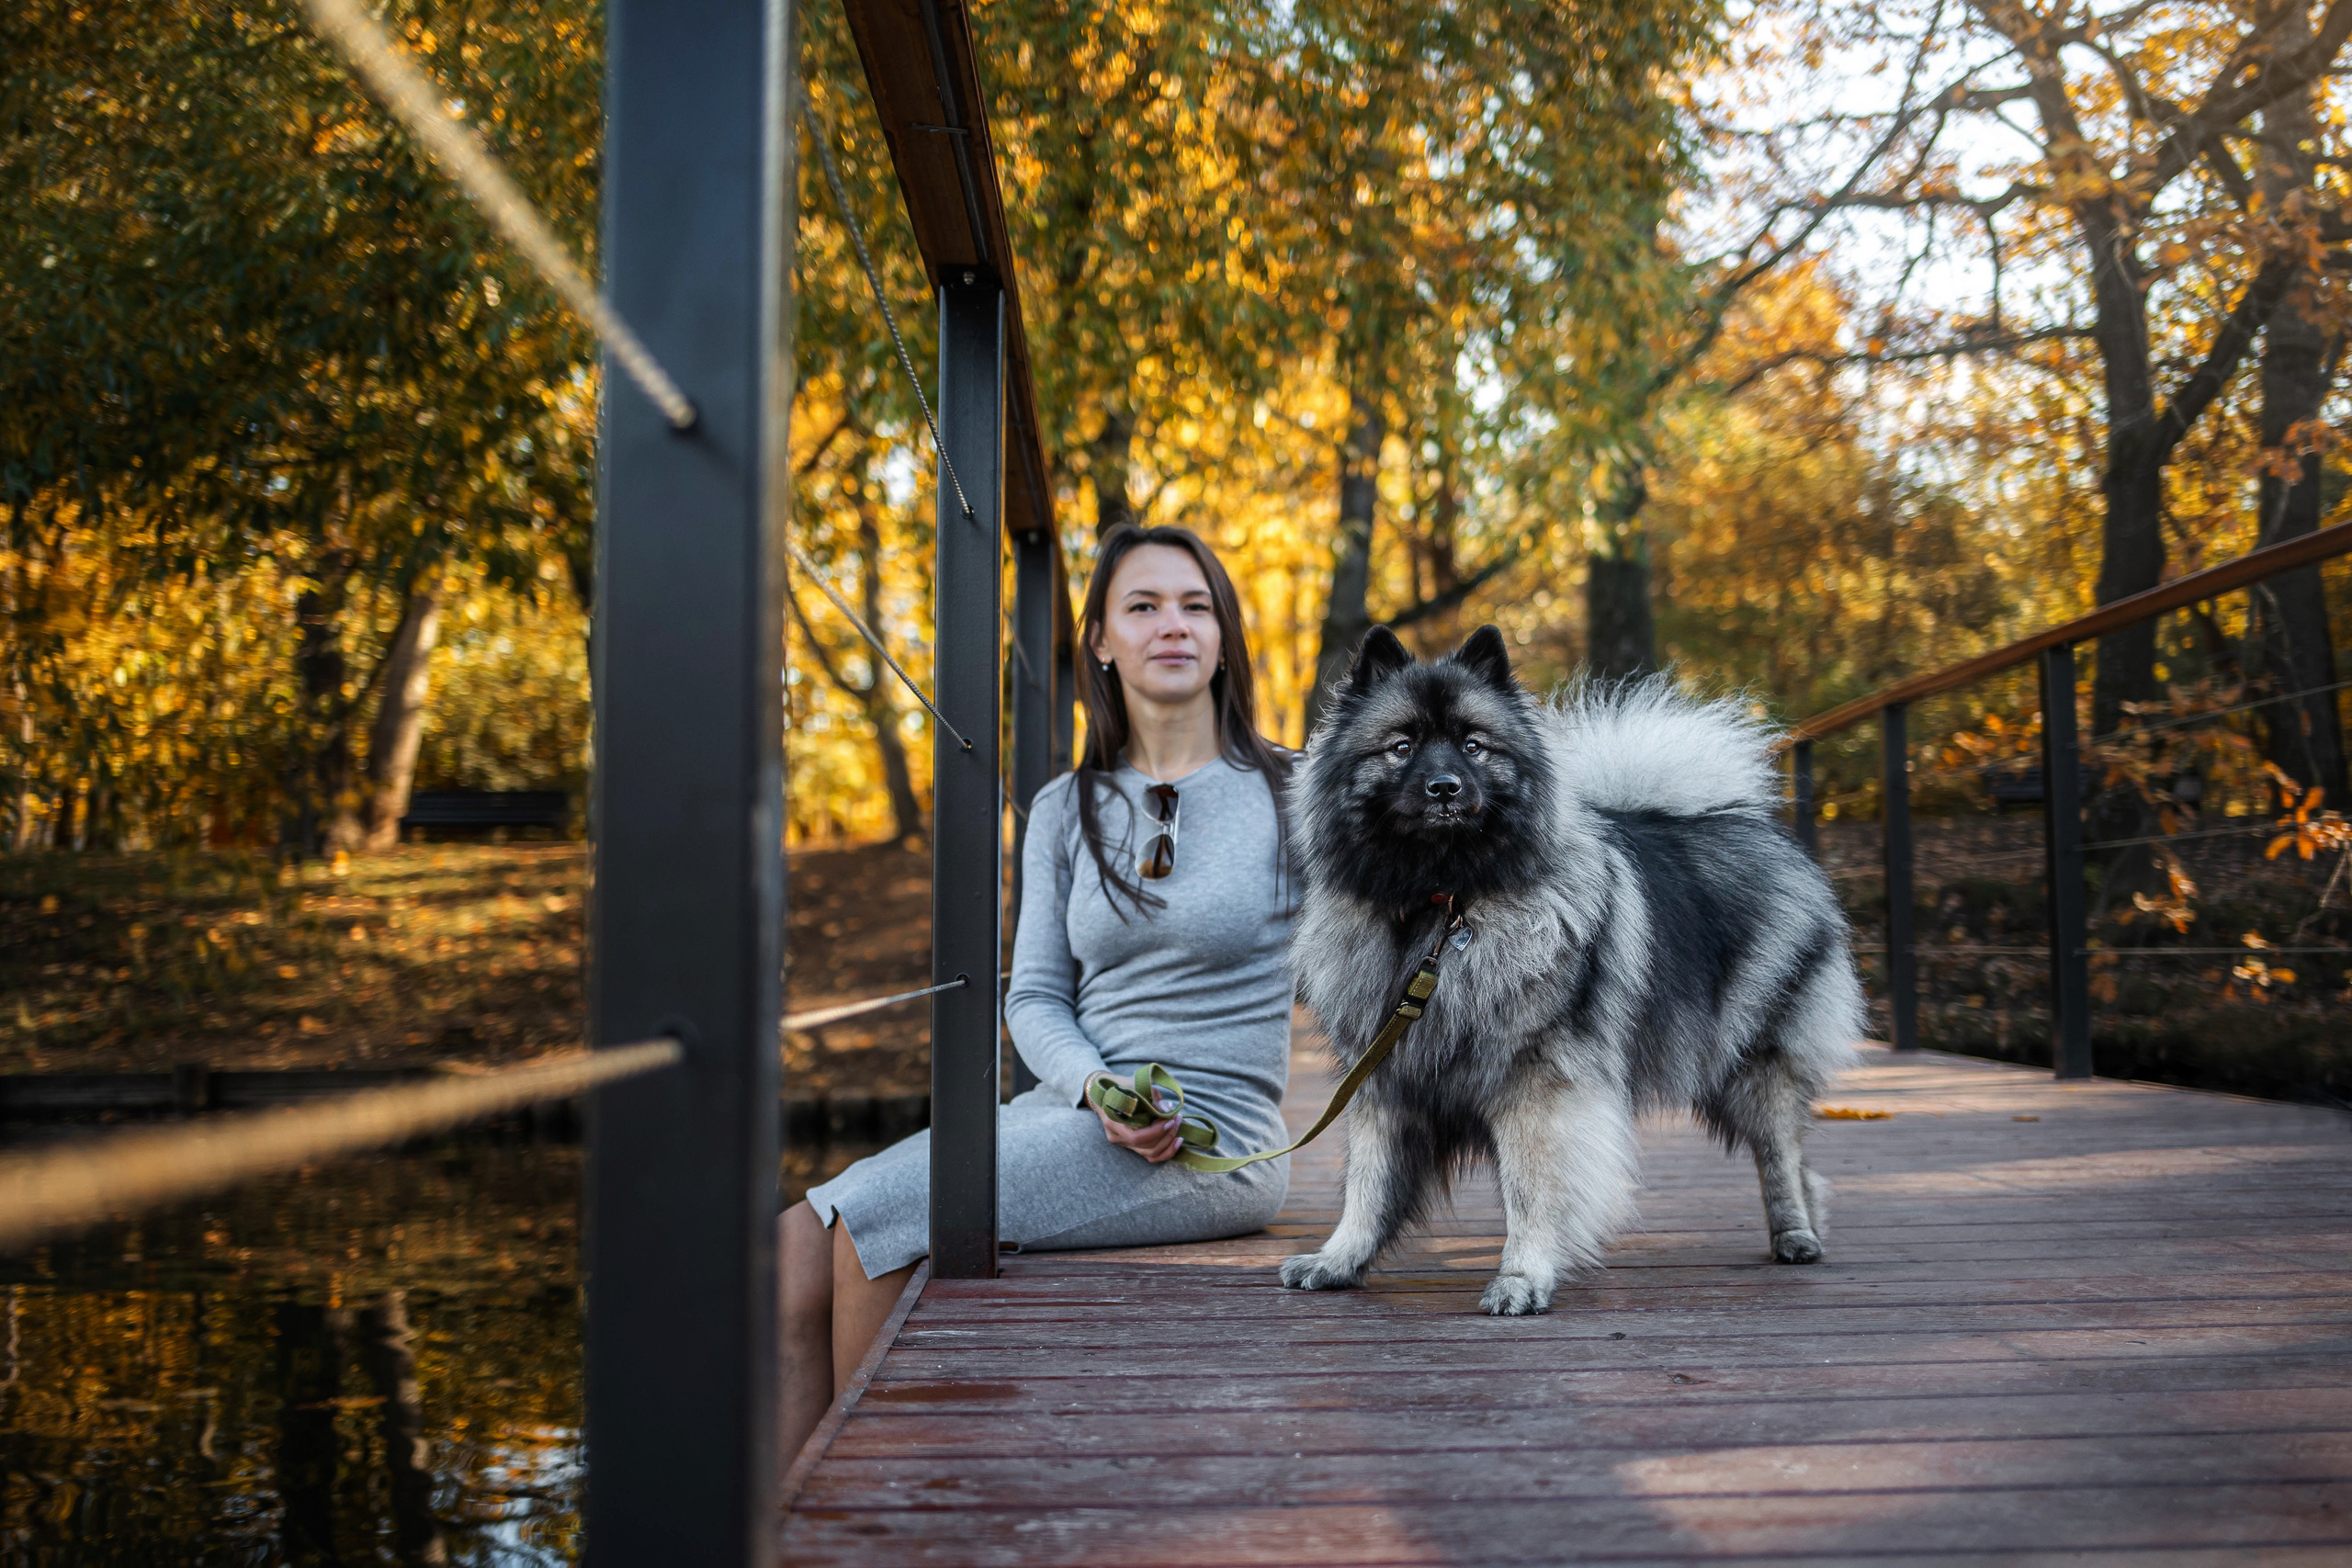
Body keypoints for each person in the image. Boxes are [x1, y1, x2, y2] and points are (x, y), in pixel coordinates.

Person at [777, 523, 1301, 1455]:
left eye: (1194, 604)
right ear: (1099, 639)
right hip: (1072, 1107)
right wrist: (1095, 1088)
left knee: (871, 1231)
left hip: (1209, 1139)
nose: (1171, 625)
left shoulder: (1299, 794)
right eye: (1141, 606)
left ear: (1223, 633)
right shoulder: (1064, 807)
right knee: (789, 1248)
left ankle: (871, 1524)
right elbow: (1036, 999)